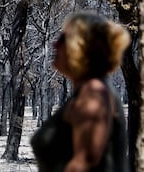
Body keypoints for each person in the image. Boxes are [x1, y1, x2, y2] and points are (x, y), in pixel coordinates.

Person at [30, 12, 130, 172]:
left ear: (80, 48)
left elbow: (83, 163)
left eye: (63, 39)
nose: (55, 44)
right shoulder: (88, 92)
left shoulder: (93, 95)